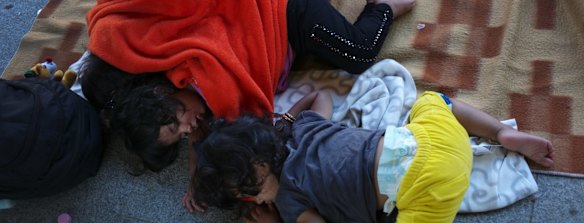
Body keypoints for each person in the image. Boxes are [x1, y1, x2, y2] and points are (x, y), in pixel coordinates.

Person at [191, 90, 554, 223]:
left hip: (433, 186)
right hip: (440, 139)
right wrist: (286, 119)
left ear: (250, 195)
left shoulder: (289, 199)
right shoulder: (303, 129)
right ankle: (500, 134)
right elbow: (321, 96)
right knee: (433, 101)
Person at [78, 0, 416, 211]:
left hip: (276, 11)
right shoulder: (188, 105)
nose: (188, 129)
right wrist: (197, 179)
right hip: (280, 36)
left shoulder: (187, 70)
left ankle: (386, 6)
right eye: (178, 136)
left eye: (175, 122)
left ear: (158, 94)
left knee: (359, 53)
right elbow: (203, 141)